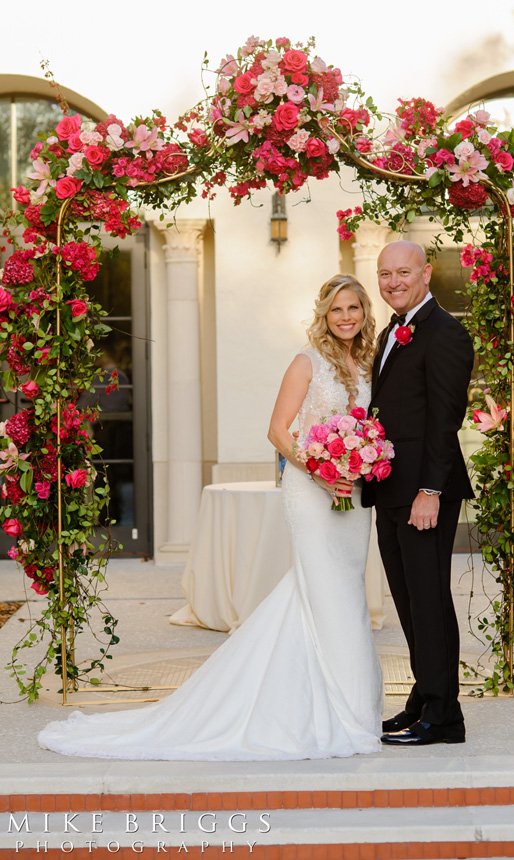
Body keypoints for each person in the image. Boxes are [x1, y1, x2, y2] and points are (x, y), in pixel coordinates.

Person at [38, 274, 383, 760]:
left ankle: (346, 702)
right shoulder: (306, 362)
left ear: (365, 313)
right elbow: (278, 431)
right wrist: (321, 470)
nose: (346, 317)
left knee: (344, 591)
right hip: (313, 490)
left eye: (354, 309)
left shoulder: (370, 361)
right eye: (336, 310)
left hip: (354, 494)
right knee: (324, 589)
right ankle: (332, 708)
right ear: (323, 315)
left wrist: (360, 461)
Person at [362, 240, 474, 747]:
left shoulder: (445, 333)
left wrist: (428, 490)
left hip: (424, 493)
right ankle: (426, 696)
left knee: (428, 599)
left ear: (427, 273)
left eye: (403, 272)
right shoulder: (393, 330)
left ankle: (444, 717)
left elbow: (444, 421)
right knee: (409, 600)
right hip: (391, 488)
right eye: (385, 273)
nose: (393, 281)